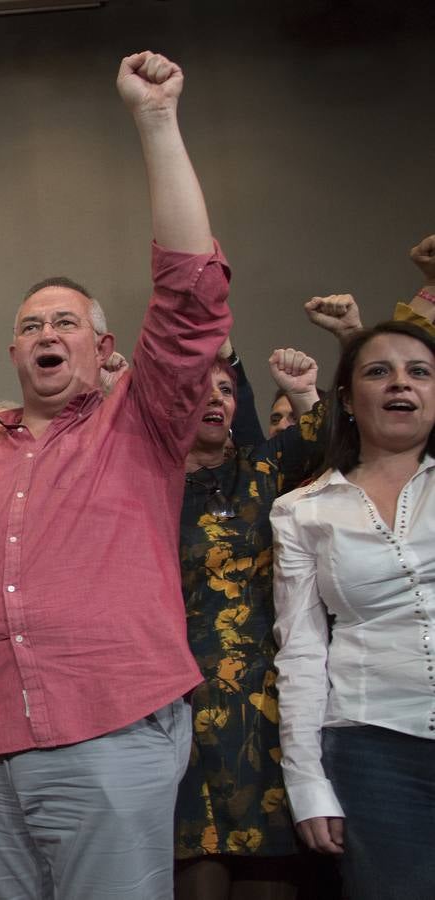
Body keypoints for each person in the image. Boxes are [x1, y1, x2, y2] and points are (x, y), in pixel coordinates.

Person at [0, 52, 230, 900]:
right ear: (13, 353)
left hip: (112, 732)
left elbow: (192, 302)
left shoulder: (144, 423)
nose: (47, 330)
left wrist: (156, 122)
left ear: (104, 348)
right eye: (31, 323)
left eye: (67, 322)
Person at [271, 320, 435, 899]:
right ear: (346, 397)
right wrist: (307, 781)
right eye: (378, 371)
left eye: (419, 372)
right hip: (373, 750)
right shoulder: (302, 511)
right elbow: (300, 649)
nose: (401, 384)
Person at [173, 344, 323, 899]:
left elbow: (334, 434)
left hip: (261, 716)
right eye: (198, 389)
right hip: (173, 717)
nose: (215, 398)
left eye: (227, 390)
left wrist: (305, 391)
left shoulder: (264, 470)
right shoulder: (141, 487)